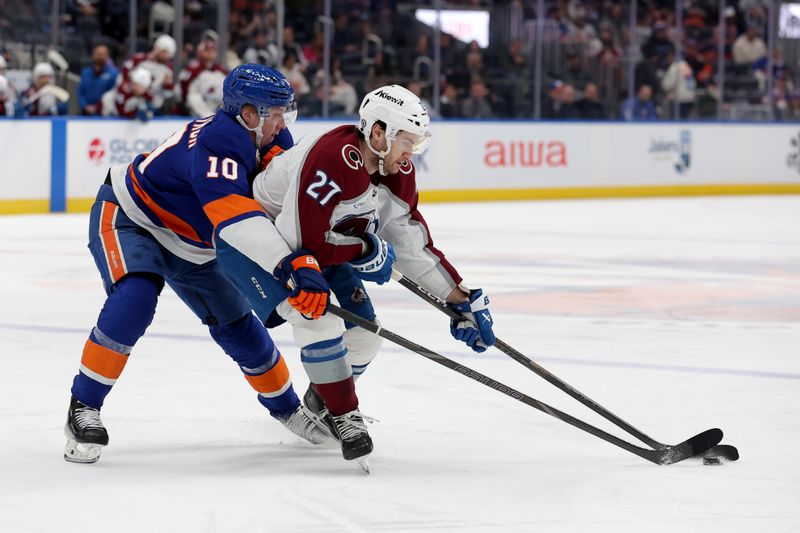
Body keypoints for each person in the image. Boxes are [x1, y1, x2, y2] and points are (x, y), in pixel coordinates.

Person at [64, 64, 329, 464]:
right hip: (133, 218)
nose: (281, 123)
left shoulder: (269, 134)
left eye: (284, 113)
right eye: (273, 113)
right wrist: (287, 266)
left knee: (240, 330)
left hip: (196, 244)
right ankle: (83, 406)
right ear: (247, 113)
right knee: (135, 299)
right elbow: (235, 218)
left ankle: (289, 409)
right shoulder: (220, 140)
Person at [227, 84, 497, 462]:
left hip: (316, 249)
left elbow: (408, 243)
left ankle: (323, 401)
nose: (410, 154)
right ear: (377, 132)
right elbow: (299, 239)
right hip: (262, 244)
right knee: (318, 320)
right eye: (407, 142)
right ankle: (344, 413)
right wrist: (364, 249)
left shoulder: (395, 170)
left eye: (416, 144)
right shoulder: (332, 157)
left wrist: (460, 298)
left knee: (366, 337)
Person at [119, 34, 177, 113]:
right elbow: (123, 75)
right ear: (157, 48)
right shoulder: (139, 59)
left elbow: (168, 93)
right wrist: (130, 88)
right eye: (164, 52)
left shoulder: (167, 68)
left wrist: (167, 85)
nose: (166, 56)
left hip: (150, 102)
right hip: (130, 96)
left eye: (168, 54)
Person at [177, 31, 228, 117]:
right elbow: (183, 92)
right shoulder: (192, 69)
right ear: (200, 51)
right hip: (197, 112)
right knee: (194, 97)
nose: (210, 52)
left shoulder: (221, 71)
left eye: (213, 50)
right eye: (207, 50)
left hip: (217, 107)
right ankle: (209, 117)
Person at [77, 44, 118, 115]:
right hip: (85, 112)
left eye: (103, 54)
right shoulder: (85, 73)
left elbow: (113, 94)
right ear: (93, 55)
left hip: (104, 113)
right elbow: (80, 92)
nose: (100, 57)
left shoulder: (113, 74)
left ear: (107, 56)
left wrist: (98, 107)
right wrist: (85, 106)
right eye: (98, 54)